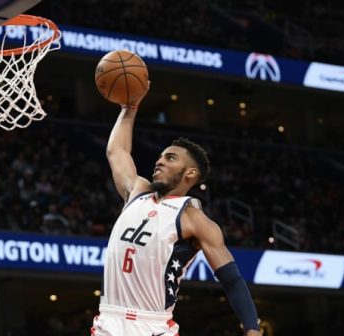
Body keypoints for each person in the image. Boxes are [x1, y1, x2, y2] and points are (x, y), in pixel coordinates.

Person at [91, 85, 261, 336]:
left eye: (170, 158)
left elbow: (231, 279)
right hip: (109, 320)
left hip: (153, 326)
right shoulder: (137, 191)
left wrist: (252, 329)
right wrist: (130, 108)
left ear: (190, 173)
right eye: (161, 156)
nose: (159, 160)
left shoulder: (193, 218)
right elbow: (116, 151)